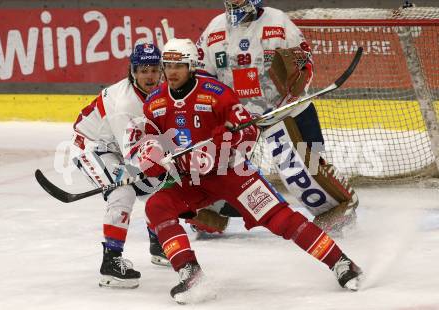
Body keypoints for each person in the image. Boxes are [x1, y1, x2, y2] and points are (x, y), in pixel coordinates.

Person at [137, 38, 363, 304]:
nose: (172, 71)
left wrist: (226, 141)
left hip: (231, 173)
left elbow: (249, 131)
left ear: (192, 66)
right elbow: (151, 138)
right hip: (192, 179)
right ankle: (191, 274)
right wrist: (151, 155)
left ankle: (341, 263)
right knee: (156, 206)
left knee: (281, 220)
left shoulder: (216, 93)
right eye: (168, 65)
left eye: (179, 65)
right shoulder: (155, 102)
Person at [195, 0, 359, 235]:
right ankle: (208, 211)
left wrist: (297, 78)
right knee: (214, 164)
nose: (234, 2)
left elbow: (305, 60)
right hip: (238, 118)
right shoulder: (215, 28)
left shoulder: (278, 21)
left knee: (305, 171)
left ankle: (338, 206)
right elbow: (202, 76)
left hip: (285, 110)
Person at [71, 43, 170, 289]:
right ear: (133, 71)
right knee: (122, 191)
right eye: (143, 70)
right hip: (93, 146)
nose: (149, 76)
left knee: (165, 184)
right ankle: (111, 262)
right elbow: (135, 158)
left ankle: (158, 243)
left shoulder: (163, 92)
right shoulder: (125, 105)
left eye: (154, 69)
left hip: (120, 145)